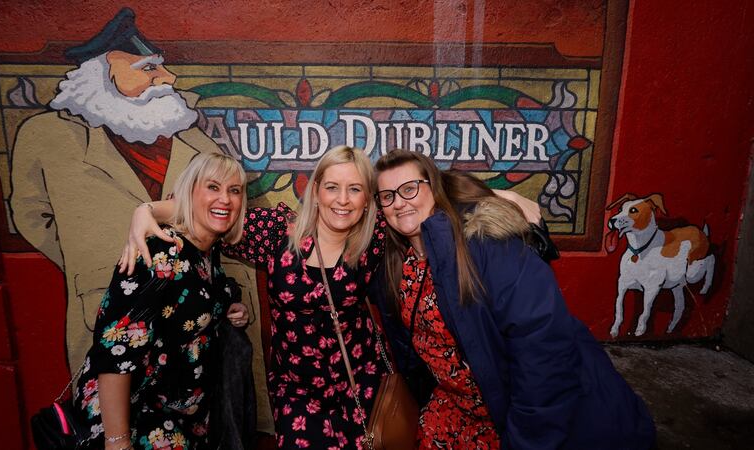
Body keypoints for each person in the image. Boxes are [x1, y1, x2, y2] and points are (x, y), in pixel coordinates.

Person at [119, 147, 547, 449]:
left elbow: (424, 195)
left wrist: (497, 196)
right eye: (332, 187)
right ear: (316, 190)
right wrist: (146, 211)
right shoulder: (276, 232)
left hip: (361, 381)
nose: (342, 200)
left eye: (355, 190)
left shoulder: (374, 234)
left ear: (366, 202)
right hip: (298, 389)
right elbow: (210, 212)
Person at [371, 149, 656, 449]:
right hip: (456, 405)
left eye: (409, 188)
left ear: (434, 185)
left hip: (521, 413)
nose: (399, 202)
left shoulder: (486, 244)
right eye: (387, 196)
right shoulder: (399, 263)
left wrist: (526, 440)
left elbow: (543, 352)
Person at [9, 7, 227, 373]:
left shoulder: (193, 138)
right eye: (147, 68)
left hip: (189, 316)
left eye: (159, 66)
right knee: (110, 409)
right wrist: (90, 260)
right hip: (106, 302)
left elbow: (225, 209)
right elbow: (32, 213)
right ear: (102, 75)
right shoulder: (48, 135)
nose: (166, 77)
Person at [72, 152, 251, 449]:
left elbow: (200, 298)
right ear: (188, 192)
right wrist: (118, 442)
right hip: (139, 418)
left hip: (180, 417)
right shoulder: (160, 253)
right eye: (213, 187)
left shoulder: (206, 252)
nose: (225, 199)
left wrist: (233, 307)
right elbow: (116, 351)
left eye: (234, 190)